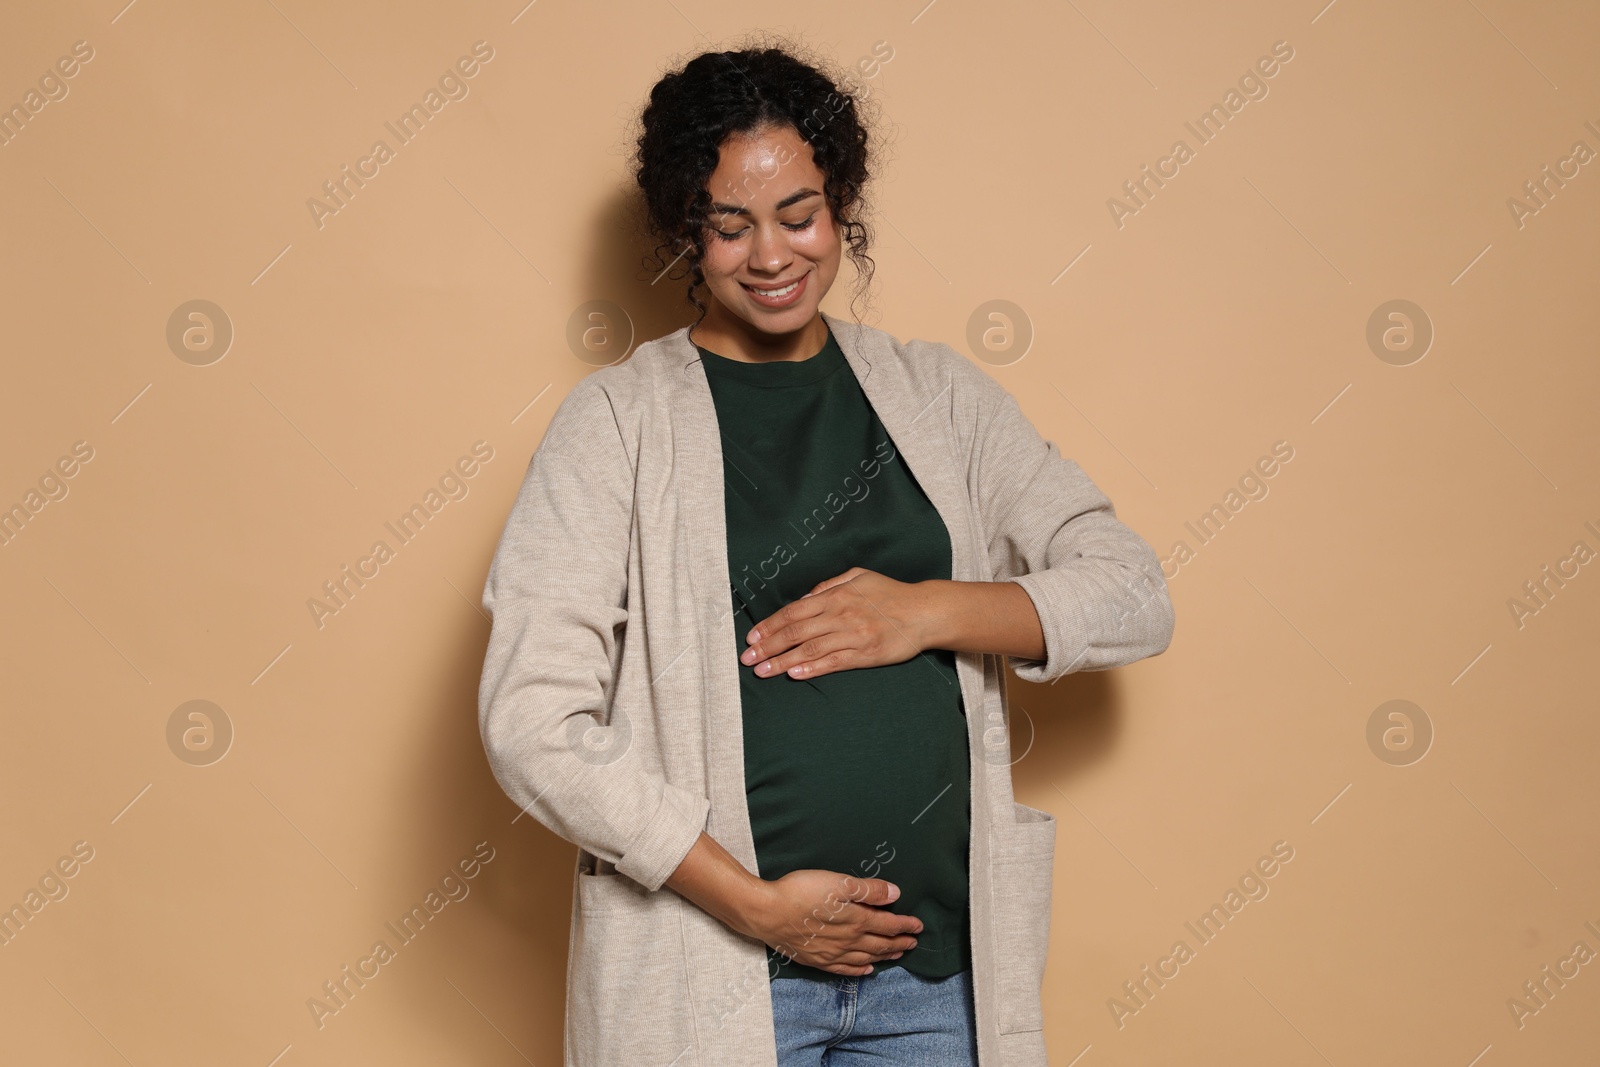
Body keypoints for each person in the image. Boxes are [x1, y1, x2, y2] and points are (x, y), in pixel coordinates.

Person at [477, 39, 1175, 1067]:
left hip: (932, 980)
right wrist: (754, 904)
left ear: (841, 202)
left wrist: (926, 609)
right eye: (729, 225)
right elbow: (531, 720)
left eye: (799, 215)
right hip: (711, 981)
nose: (770, 256)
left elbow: (1133, 592)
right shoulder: (617, 424)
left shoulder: (939, 398)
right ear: (685, 229)